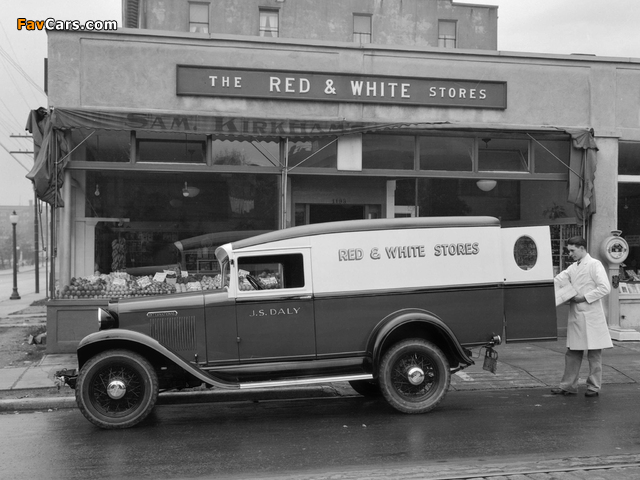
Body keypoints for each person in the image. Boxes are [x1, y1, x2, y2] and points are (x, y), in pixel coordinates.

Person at [551, 236, 612, 397]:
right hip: (577, 315)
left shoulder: (594, 264)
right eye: (569, 251)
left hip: (592, 315)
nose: (570, 254)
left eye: (572, 250)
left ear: (582, 248)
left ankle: (593, 386)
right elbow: (558, 280)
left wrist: (583, 297)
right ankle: (568, 385)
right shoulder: (573, 267)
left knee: (594, 354)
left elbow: (605, 288)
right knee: (572, 352)